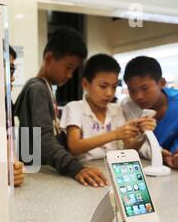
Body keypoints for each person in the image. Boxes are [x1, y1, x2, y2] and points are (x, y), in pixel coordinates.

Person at [14, 27, 108, 187]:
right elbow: (43, 138)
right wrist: (76, 168)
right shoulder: (38, 88)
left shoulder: (44, 87)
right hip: (38, 174)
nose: (70, 75)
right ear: (49, 59)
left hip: (41, 170)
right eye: (68, 67)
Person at [62, 54, 155, 161]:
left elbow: (131, 147)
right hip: (87, 169)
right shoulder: (74, 108)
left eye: (114, 87)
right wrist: (115, 134)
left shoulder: (117, 110)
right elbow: (74, 146)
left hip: (114, 167)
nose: (109, 93)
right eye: (103, 86)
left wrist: (144, 134)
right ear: (85, 84)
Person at [121, 56, 178, 170]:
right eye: (132, 90)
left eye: (145, 88)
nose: (138, 96)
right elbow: (132, 144)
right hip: (144, 167)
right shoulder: (127, 106)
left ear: (162, 83)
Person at [8, 45, 24, 187]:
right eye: (9, 70)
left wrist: (14, 167)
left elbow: (9, 145)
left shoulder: (6, 103)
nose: (12, 79)